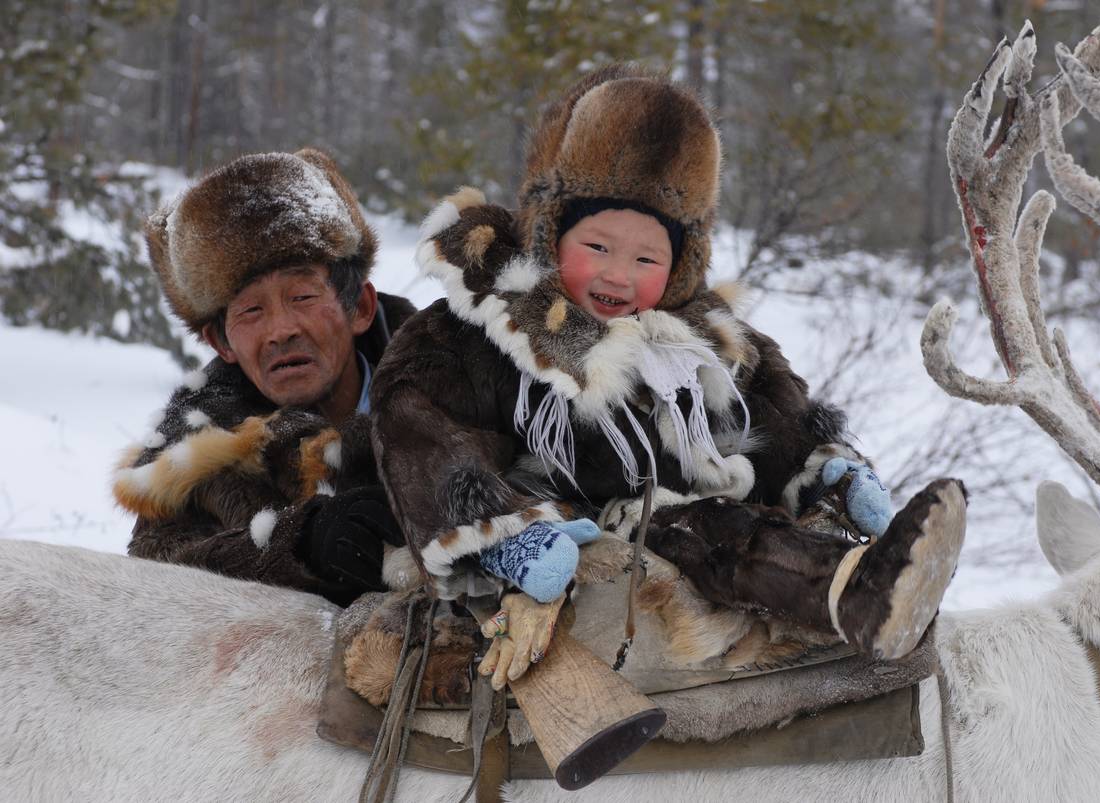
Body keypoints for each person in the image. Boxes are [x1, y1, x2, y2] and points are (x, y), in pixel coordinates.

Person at [371, 65, 966, 686]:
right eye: (597, 247)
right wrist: (503, 532)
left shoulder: (697, 339)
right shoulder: (485, 322)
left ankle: (863, 589)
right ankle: (852, 590)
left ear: (681, 265)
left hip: (676, 518)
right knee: (704, 533)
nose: (618, 276)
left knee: (726, 533)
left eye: (646, 258)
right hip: (568, 525)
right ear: (551, 229)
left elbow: (768, 412)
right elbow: (418, 429)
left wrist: (818, 467)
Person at [113, 148, 416, 606]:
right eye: (252, 311)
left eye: (302, 296)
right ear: (223, 345)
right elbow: (153, 592)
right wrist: (301, 546)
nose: (281, 330)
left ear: (360, 308)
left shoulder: (452, 388)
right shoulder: (190, 461)